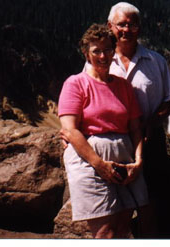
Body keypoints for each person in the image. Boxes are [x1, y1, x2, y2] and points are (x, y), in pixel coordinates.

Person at [58, 24, 148, 238]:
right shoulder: (75, 84)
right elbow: (70, 131)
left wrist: (138, 161)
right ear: (86, 53)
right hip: (89, 157)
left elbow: (135, 128)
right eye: (96, 50)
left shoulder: (123, 86)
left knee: (123, 228)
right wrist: (99, 164)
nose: (103, 56)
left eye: (108, 49)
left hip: (124, 155)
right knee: (105, 232)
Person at [105, 2, 170, 237]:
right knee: (116, 202)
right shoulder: (99, 61)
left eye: (132, 24)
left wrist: (151, 122)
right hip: (113, 140)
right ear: (110, 27)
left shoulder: (156, 61)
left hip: (149, 138)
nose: (126, 29)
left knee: (151, 199)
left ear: (139, 28)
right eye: (121, 24)